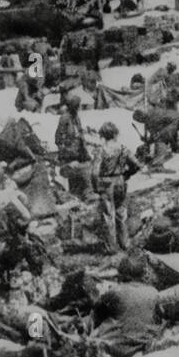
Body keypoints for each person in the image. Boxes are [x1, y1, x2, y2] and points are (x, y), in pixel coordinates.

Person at [92, 122, 141, 253]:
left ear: (103, 135)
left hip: (106, 182)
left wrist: (95, 187)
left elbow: (94, 172)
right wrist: (126, 175)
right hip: (120, 181)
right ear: (115, 134)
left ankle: (111, 247)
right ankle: (125, 243)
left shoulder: (101, 150)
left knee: (108, 215)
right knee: (122, 213)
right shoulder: (123, 148)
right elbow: (136, 165)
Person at [55, 95, 88, 164]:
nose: (80, 107)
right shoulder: (65, 118)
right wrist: (63, 148)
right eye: (79, 105)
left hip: (77, 146)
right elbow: (59, 136)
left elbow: (79, 131)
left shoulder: (76, 117)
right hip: (69, 147)